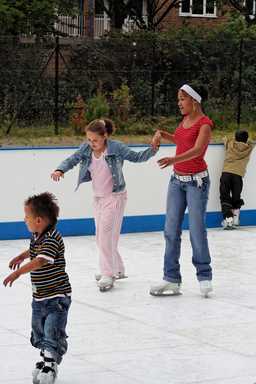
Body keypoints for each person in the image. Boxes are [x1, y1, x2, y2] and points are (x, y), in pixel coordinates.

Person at [51, 118, 158, 292]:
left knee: (105, 236)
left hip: (115, 197)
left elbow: (137, 157)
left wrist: (153, 148)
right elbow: (73, 159)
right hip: (98, 198)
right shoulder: (86, 148)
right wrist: (60, 169)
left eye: (95, 140)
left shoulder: (116, 147)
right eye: (89, 139)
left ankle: (108, 273)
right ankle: (118, 269)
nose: (91, 143)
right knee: (102, 237)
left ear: (105, 136)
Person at [150, 84, 213, 298]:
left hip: (197, 183)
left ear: (195, 101)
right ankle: (171, 278)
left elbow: (197, 151)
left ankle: (204, 275)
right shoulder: (185, 120)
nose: (179, 102)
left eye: (182, 98)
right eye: (179, 98)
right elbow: (181, 140)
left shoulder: (205, 124)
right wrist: (161, 134)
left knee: (196, 230)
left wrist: (173, 159)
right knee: (170, 230)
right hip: (176, 182)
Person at [3, 192, 71, 384]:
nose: (24, 220)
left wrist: (18, 273)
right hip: (40, 296)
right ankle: (46, 359)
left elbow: (40, 260)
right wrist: (22, 256)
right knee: (38, 331)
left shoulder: (52, 239)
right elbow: (34, 251)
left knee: (51, 330)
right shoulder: (37, 236)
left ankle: (51, 363)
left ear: (39, 220)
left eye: (27, 217)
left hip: (57, 296)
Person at [220, 130, 254, 229]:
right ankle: (235, 219)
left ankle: (228, 220)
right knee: (236, 197)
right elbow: (251, 141)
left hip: (226, 173)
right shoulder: (249, 148)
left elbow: (225, 138)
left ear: (235, 138)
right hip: (238, 176)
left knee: (225, 196)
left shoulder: (230, 144)